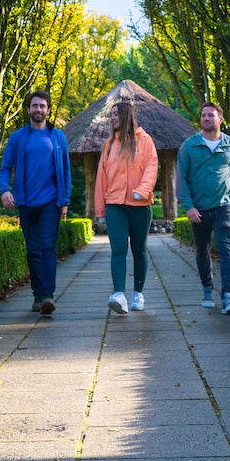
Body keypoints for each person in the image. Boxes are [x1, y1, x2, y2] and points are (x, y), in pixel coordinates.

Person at [176, 101, 230, 315]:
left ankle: (228, 296)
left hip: (225, 205)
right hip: (199, 208)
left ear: (220, 119)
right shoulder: (188, 146)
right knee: (202, 249)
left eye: (210, 115)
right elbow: (181, 179)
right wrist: (188, 207)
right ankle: (207, 289)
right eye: (203, 115)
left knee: (226, 249)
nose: (206, 119)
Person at [0, 90, 71, 315]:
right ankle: (37, 295)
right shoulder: (18, 138)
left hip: (51, 201)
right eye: (35, 106)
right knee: (33, 250)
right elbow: (5, 169)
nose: (38, 110)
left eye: (42, 106)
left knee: (48, 247)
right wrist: (4, 191)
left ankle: (48, 295)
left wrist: (65, 200)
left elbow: (66, 171)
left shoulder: (57, 137)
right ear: (28, 109)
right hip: (26, 203)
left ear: (48, 110)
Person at [94, 100, 159, 314]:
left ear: (126, 116)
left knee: (139, 249)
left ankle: (138, 294)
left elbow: (151, 166)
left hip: (140, 204)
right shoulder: (109, 145)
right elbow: (101, 178)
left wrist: (143, 189)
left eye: (115, 114)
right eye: (111, 114)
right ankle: (119, 294)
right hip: (115, 205)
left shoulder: (145, 141)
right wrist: (100, 209)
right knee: (118, 249)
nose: (111, 118)